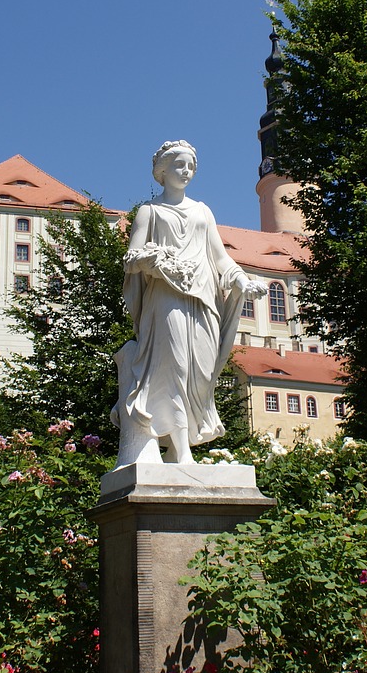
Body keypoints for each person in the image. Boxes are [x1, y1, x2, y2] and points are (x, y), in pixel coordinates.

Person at [111, 140, 267, 465]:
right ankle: (182, 453)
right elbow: (131, 258)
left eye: (191, 167)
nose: (186, 172)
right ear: (162, 170)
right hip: (166, 298)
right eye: (180, 165)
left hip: (205, 300)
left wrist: (242, 282)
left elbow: (221, 259)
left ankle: (172, 447)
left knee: (201, 374)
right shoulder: (149, 211)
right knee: (176, 369)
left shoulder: (203, 211)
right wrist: (154, 261)